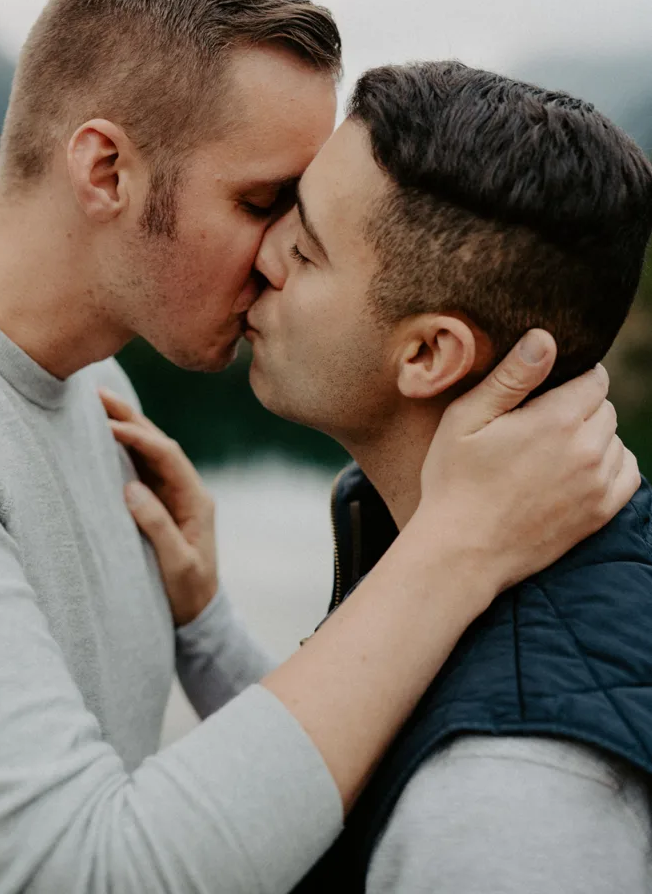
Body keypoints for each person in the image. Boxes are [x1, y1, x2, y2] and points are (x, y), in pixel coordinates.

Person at [0, 0, 637, 893]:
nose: (279, 252)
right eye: (263, 199)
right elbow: (75, 871)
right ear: (106, 171)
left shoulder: (103, 390)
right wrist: (457, 545)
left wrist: (199, 628)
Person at [113, 62, 652, 894]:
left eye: (304, 248)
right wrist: (206, 623)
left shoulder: (510, 808)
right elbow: (368, 777)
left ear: (428, 354)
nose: (261, 257)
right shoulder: (473, 543)